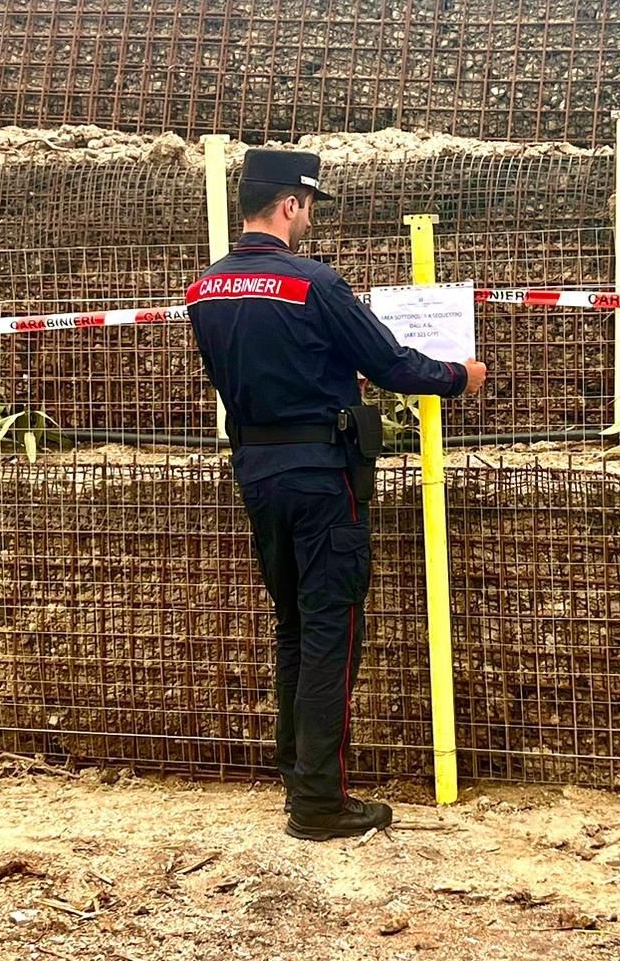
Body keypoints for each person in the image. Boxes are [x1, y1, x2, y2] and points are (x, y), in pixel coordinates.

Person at [187, 147, 489, 841]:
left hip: (257, 472)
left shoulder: (204, 289)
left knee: (294, 622)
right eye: (309, 206)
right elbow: (389, 363)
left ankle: (297, 769)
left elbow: (244, 371)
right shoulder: (313, 282)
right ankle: (320, 803)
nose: (310, 218)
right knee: (333, 631)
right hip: (324, 477)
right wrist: (457, 376)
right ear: (290, 204)